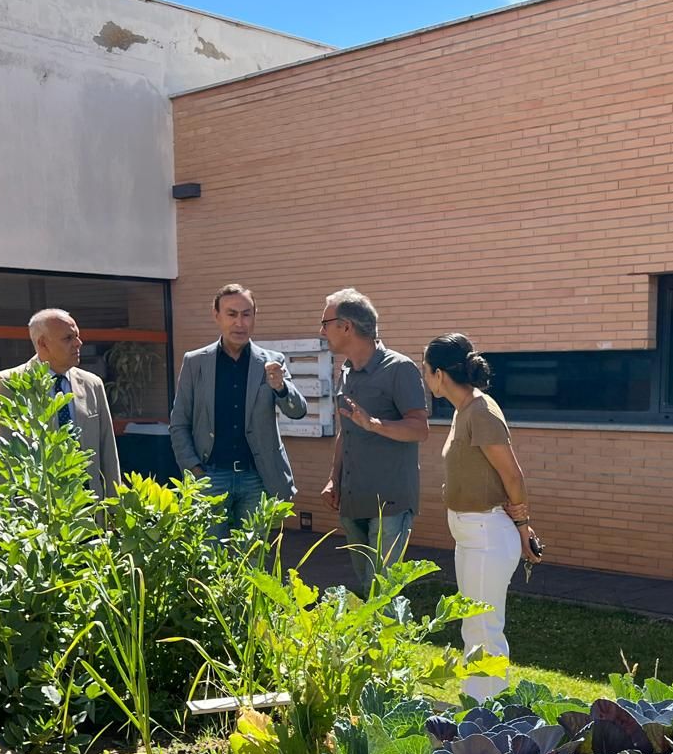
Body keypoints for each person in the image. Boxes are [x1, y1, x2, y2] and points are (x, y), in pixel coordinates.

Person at [421, 333, 542, 701]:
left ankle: (487, 713)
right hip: (470, 535)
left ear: (439, 373)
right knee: (473, 627)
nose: (424, 377)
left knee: (485, 629)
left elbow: (513, 476)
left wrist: (523, 527)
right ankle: (478, 705)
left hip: (488, 533)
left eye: (424, 370)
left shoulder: (481, 411)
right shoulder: (463, 411)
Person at [169, 283, 307, 538]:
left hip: (257, 477)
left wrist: (281, 387)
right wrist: (194, 470)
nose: (240, 323)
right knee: (209, 559)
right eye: (232, 314)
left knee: (252, 561)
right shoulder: (195, 362)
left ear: (255, 316)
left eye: (246, 314)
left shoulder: (271, 361)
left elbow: (297, 411)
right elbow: (179, 423)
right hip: (210, 477)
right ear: (216, 315)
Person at [319, 288, 430, 594]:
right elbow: (348, 430)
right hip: (353, 499)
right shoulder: (346, 371)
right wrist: (334, 479)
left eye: (325, 322)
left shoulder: (400, 369)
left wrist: (374, 424)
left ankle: (387, 641)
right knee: (369, 590)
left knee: (381, 591)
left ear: (346, 326)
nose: (322, 330)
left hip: (390, 503)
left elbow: (420, 429)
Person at [0, 308, 121, 497]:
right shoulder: (9, 383)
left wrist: (114, 507)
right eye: (68, 338)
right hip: (36, 506)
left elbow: (107, 449)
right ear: (42, 344)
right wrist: (8, 514)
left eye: (77, 336)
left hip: (88, 504)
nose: (78, 343)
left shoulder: (92, 384)